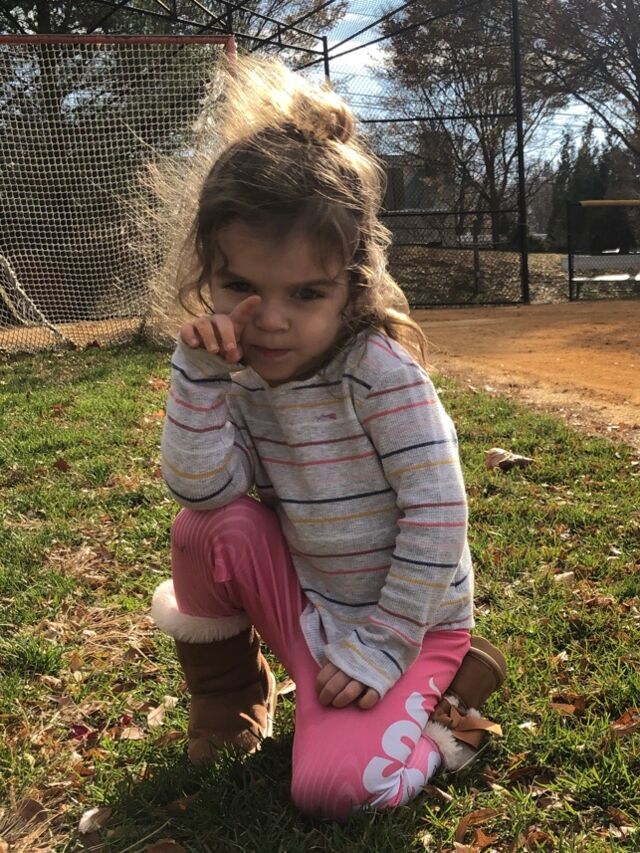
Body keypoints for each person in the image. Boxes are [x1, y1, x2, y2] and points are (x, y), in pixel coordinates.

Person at [151, 57, 506, 822]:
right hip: (314, 611)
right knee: (201, 528)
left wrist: (385, 640)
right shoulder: (241, 371)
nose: (272, 319)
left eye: (306, 293)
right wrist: (200, 380)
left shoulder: (378, 373)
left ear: (353, 284)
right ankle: (231, 703)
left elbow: (439, 510)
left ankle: (454, 717)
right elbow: (205, 489)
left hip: (408, 625)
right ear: (210, 275)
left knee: (337, 790)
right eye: (242, 287)